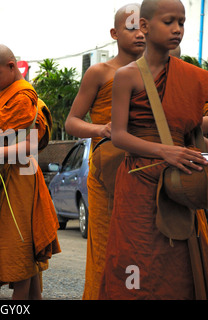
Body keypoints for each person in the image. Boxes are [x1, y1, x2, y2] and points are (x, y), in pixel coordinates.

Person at [99, 0, 208, 299]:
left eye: (182, 23)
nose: (177, 29)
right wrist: (165, 151)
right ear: (144, 26)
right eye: (169, 21)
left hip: (180, 182)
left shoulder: (194, 77)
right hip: (138, 182)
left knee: (178, 264)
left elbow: (193, 132)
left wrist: (187, 151)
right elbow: (119, 136)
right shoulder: (127, 75)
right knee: (137, 258)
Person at [64, 3, 145, 300]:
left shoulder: (160, 73)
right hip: (108, 170)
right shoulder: (100, 72)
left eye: (144, 27)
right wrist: (100, 129)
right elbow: (71, 122)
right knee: (106, 246)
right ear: (114, 33)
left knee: (144, 246)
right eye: (132, 27)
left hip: (149, 169)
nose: (140, 34)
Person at [0, 44, 60, 300]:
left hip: (19, 179)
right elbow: (3, 135)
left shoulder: (23, 96)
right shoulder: (6, 93)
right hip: (4, 176)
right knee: (11, 241)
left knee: (18, 244)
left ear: (12, 66)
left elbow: (30, 144)